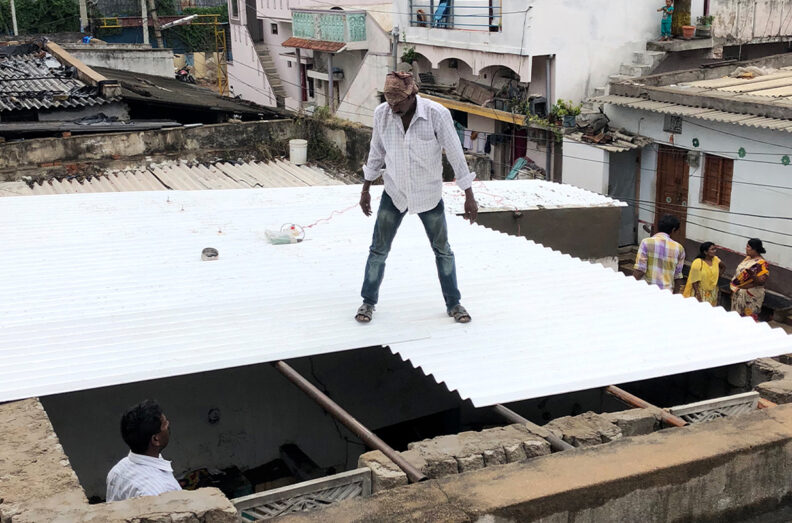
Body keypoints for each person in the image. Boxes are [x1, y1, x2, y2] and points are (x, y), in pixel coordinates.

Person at [355, 71, 478, 324]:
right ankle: (368, 302)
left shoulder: (437, 114)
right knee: (378, 250)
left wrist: (469, 195)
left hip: (428, 194)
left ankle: (454, 304)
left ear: (412, 96)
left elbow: (455, 154)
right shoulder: (382, 115)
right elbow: (376, 152)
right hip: (395, 192)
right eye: (390, 103)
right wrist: (365, 188)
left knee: (442, 250)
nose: (393, 108)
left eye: (398, 103)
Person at [106, 399, 181, 502]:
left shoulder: (117, 471)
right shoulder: (162, 492)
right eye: (165, 424)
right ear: (156, 439)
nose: (168, 424)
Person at [633, 214, 686, 293]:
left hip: (647, 291)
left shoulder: (646, 242)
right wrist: (675, 295)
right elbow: (677, 276)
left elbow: (640, 270)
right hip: (667, 292)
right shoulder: (679, 248)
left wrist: (630, 286)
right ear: (673, 230)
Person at [730, 238, 770, 320]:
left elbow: (762, 282)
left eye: (748, 247)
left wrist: (754, 276)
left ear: (754, 249)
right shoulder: (748, 258)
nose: (746, 249)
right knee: (735, 319)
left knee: (747, 320)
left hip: (750, 297)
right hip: (738, 294)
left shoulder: (762, 263)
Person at [683, 242, 726, 306]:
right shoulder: (697, 262)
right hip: (700, 292)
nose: (714, 251)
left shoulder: (715, 259)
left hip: (712, 292)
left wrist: (717, 276)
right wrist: (698, 295)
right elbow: (694, 281)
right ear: (705, 252)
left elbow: (723, 267)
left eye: (715, 249)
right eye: (712, 249)